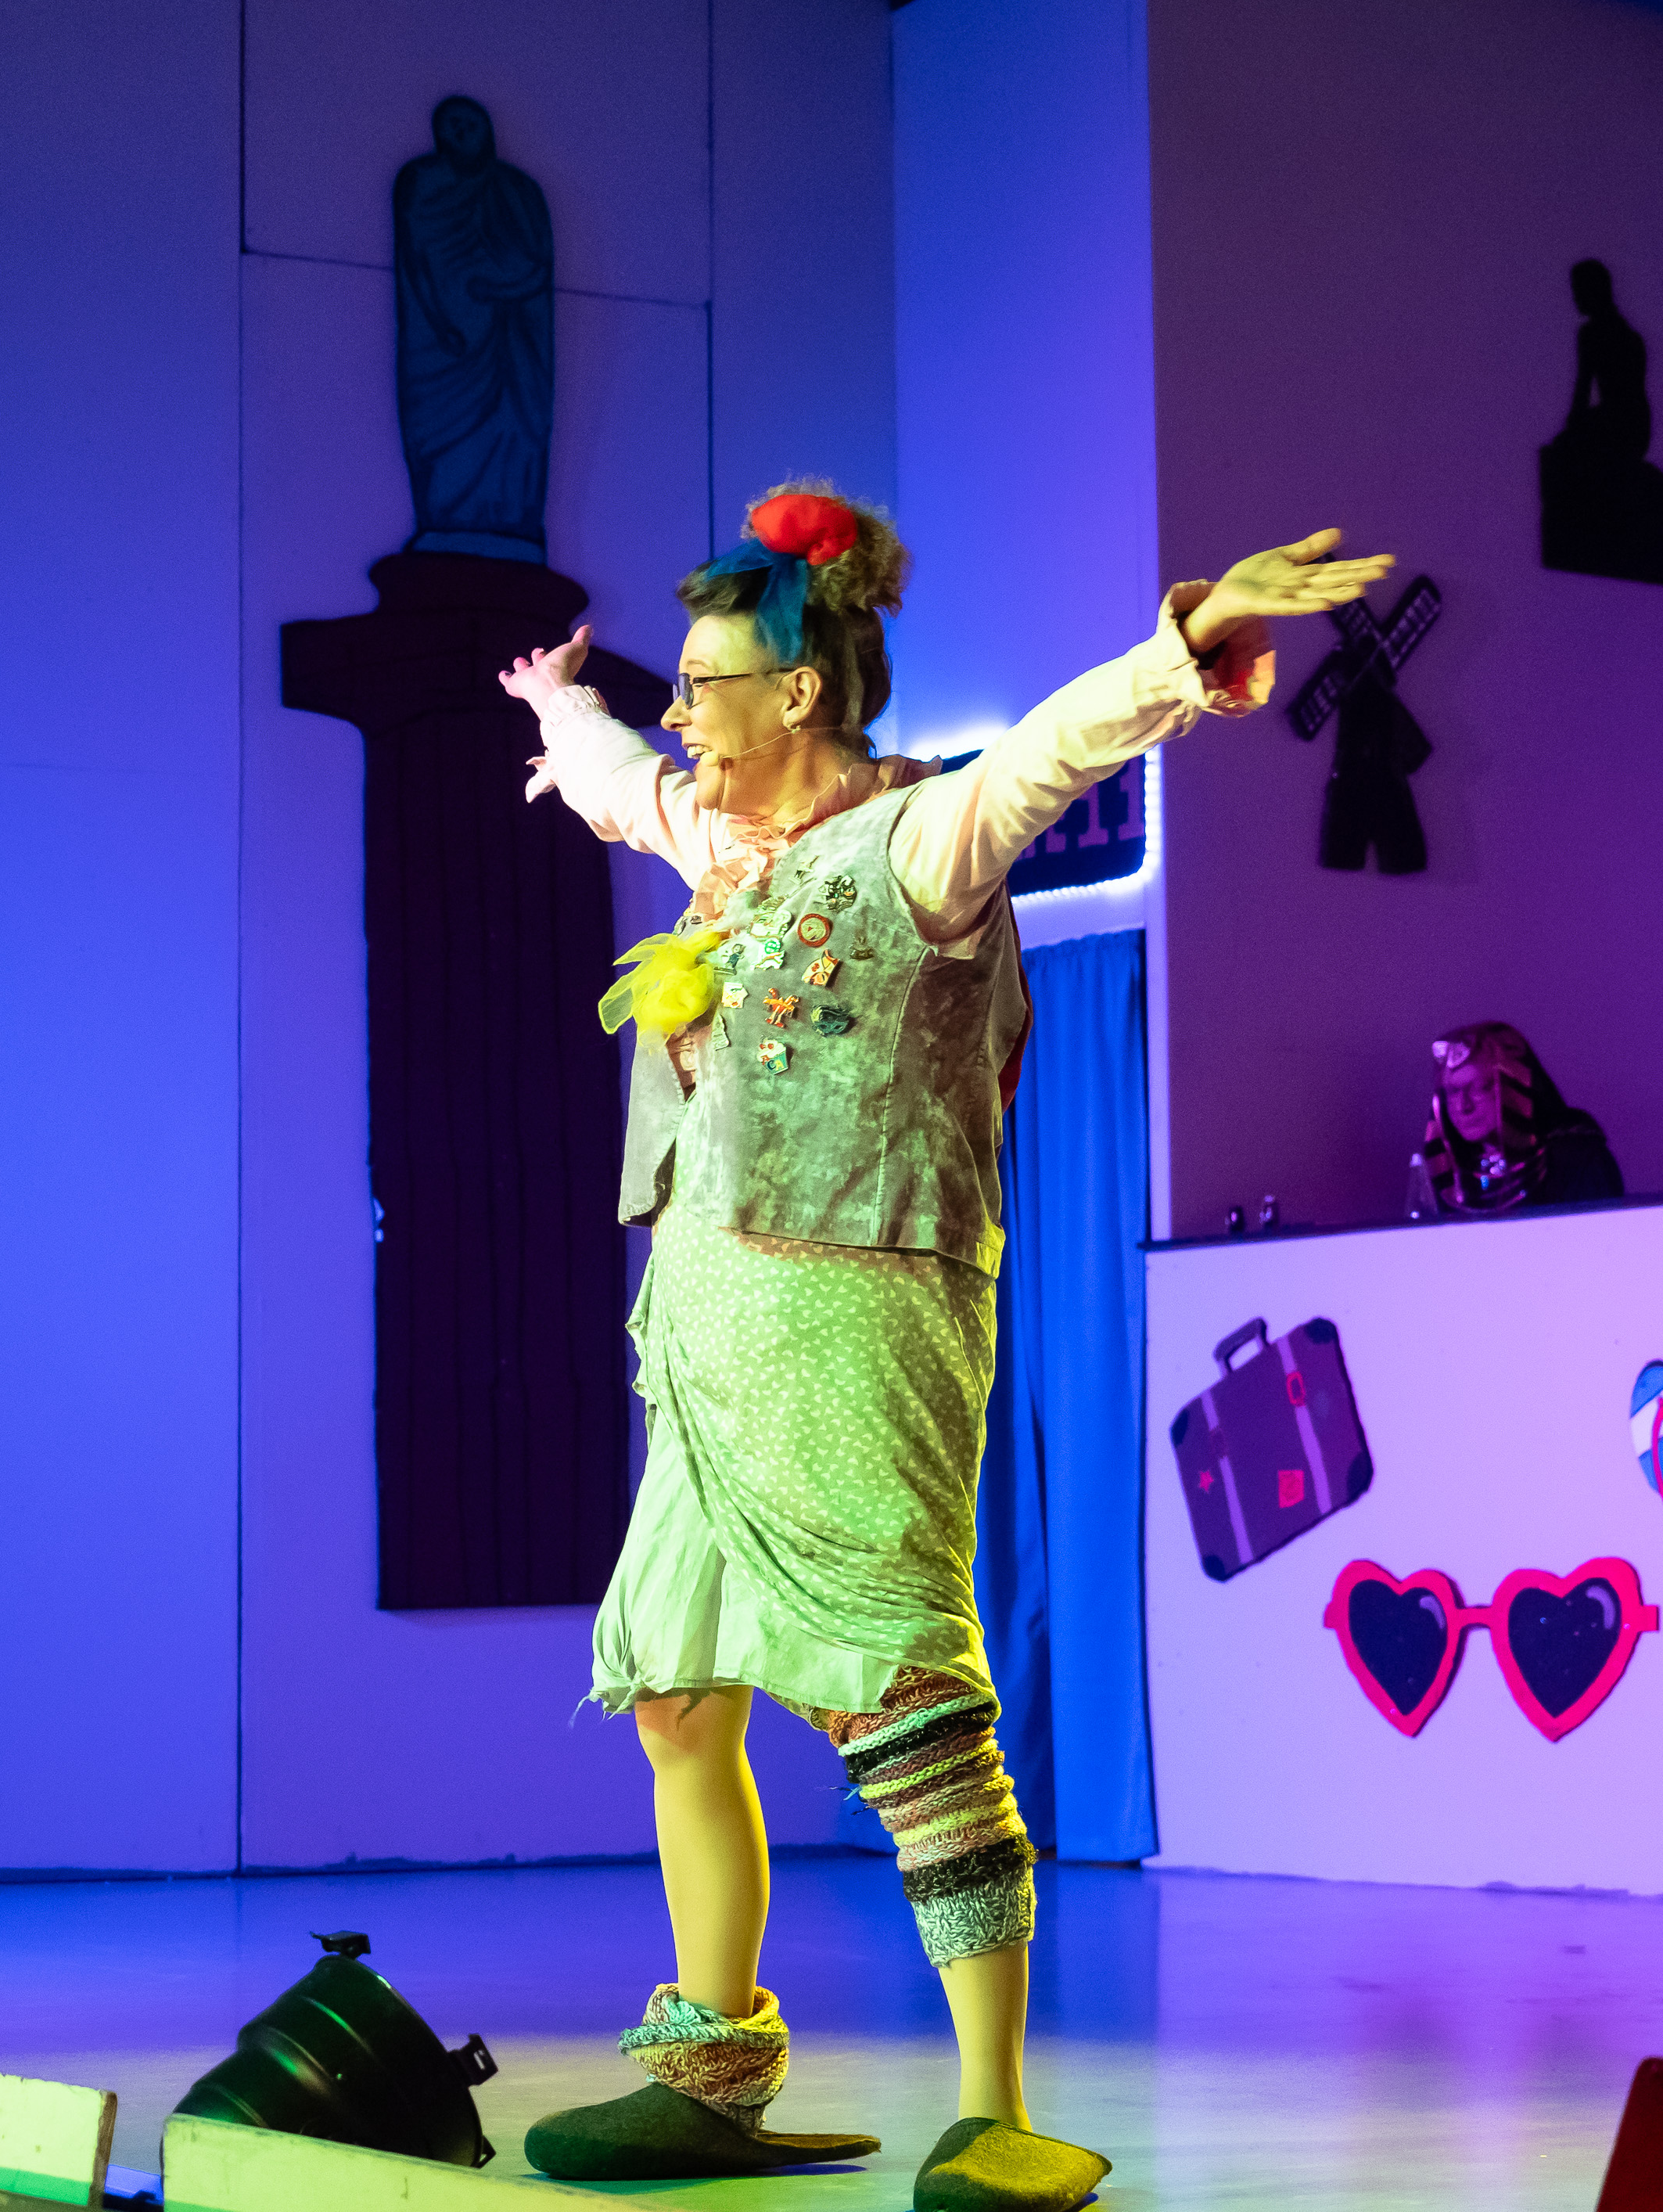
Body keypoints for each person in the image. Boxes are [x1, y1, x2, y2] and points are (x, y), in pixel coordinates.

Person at [497, 482, 1392, 2211]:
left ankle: (991, 2109)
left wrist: (1183, 649)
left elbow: (1049, 756)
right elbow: (616, 783)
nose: (679, 714)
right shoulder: (720, 845)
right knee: (676, 1697)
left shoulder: (918, 843)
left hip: (860, 1315)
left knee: (903, 1708)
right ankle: (710, 2064)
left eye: (701, 684)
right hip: (705, 1324)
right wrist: (558, 705)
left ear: (799, 693)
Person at [1417, 1023, 1623, 1214]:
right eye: (1453, 1092)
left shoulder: (1576, 1159)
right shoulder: (1447, 1178)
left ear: (1516, 1083)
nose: (1464, 1106)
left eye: (1481, 1087)